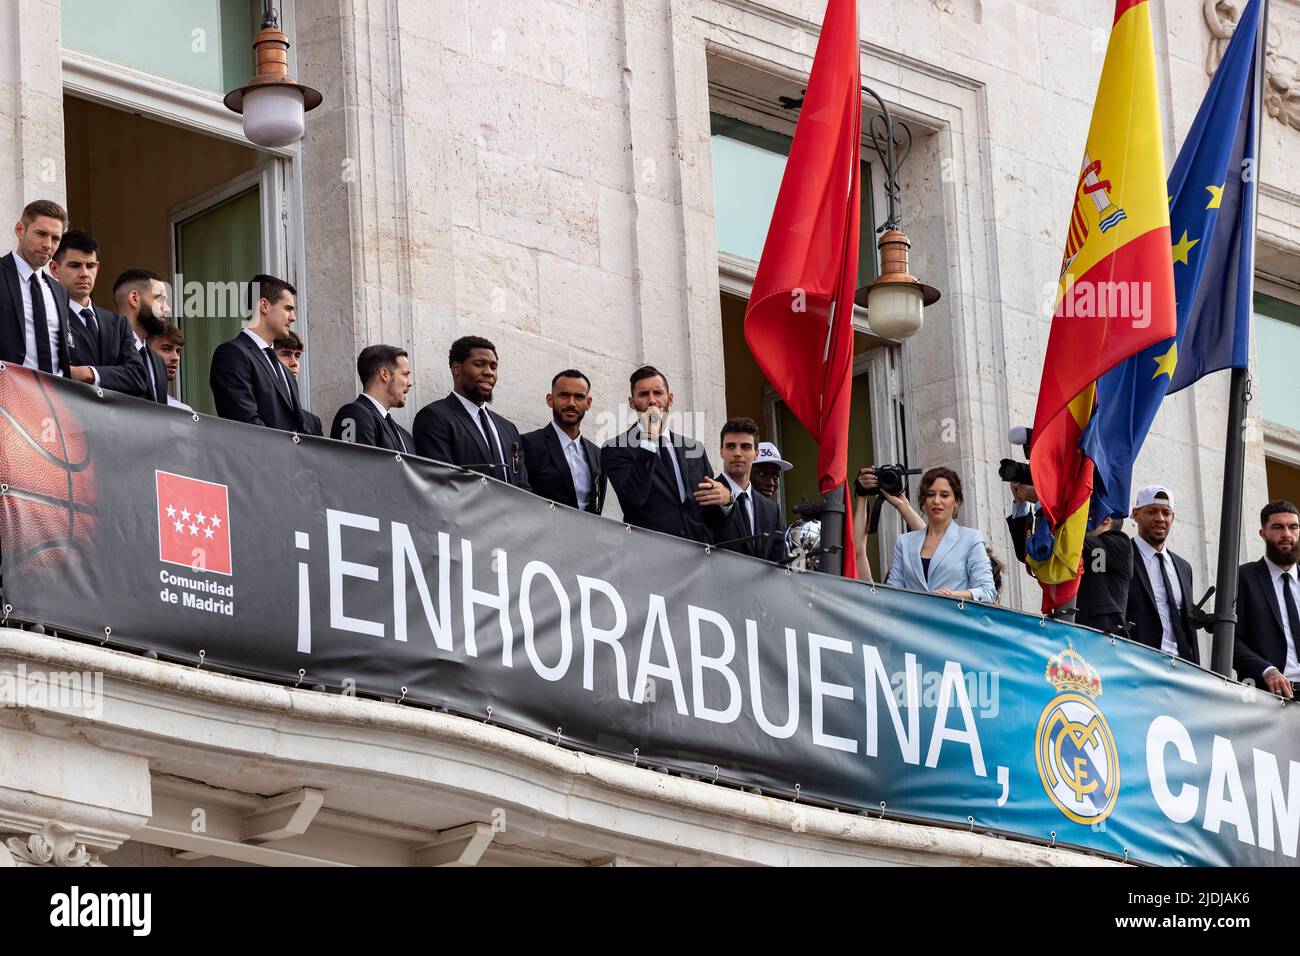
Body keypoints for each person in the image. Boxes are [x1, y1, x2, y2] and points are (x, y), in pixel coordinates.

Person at [600, 365, 732, 543]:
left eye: (658, 393)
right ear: (632, 403)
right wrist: (649, 438)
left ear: (669, 399)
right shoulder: (615, 448)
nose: (652, 400)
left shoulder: (694, 449)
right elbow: (633, 499)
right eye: (644, 394)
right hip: (651, 556)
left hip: (698, 557)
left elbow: (708, 512)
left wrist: (726, 500)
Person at [412, 335, 530, 488]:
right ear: (457, 368)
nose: (489, 372)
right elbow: (442, 482)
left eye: (493, 367)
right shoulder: (434, 417)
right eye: (479, 364)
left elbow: (522, 485)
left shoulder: (508, 428)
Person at [209, 274, 314, 432]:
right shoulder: (232, 354)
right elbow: (246, 422)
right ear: (264, 305)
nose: (293, 318)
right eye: (288, 309)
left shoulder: (285, 372)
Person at [48, 229, 146, 396]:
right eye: (75, 265)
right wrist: (114, 374)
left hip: (111, 420)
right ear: (55, 269)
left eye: (90, 265)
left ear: (97, 267)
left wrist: (88, 373)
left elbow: (138, 378)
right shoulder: (49, 316)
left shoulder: (117, 323)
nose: (84, 273)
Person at [884, 466, 997, 602]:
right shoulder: (904, 542)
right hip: (911, 621)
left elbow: (987, 591)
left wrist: (952, 595)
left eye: (944, 495)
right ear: (923, 501)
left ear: (956, 501)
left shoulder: (971, 538)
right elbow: (892, 592)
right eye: (931, 494)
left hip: (952, 619)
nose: (937, 501)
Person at [1126, 484, 1202, 663]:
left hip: (1182, 667)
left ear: (1172, 517)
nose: (1160, 518)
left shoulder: (1183, 567)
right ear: (1136, 514)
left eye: (1166, 513)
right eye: (1152, 512)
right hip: (1138, 665)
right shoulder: (1123, 555)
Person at [1234, 500, 1300, 698]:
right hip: (1265, 695)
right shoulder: (1242, 577)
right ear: (1263, 533)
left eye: (1293, 527)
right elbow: (1229, 639)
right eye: (1278, 527)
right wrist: (1267, 670)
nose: (1287, 534)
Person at [0, 199, 72, 375]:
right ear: (20, 230)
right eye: (41, 234)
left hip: (55, 394)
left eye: (55, 238)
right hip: (7, 394)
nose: (48, 245)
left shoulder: (60, 291)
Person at [520, 369, 606, 513]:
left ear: (588, 403)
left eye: (579, 397)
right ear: (550, 399)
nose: (571, 403)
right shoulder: (529, 444)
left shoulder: (597, 454)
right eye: (564, 395)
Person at [713, 417, 783, 560]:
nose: (737, 453)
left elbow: (778, 563)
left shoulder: (772, 510)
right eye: (731, 446)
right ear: (721, 451)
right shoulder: (707, 496)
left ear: (756, 454)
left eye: (745, 446)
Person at [331, 344, 414, 453]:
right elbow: (352, 466)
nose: (410, 383)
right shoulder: (354, 415)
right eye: (405, 374)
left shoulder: (405, 436)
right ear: (385, 374)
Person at [853, 466, 924, 582]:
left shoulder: (927, 589)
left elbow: (932, 545)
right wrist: (862, 495)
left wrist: (903, 506)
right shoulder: (875, 597)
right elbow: (858, 552)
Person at [112, 269, 171, 404]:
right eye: (160, 299)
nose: (167, 309)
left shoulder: (158, 362)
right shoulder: (107, 350)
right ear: (134, 299)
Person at [272, 329, 322, 435]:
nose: (294, 363)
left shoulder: (313, 422)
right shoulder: (264, 411)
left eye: (297, 356)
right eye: (286, 354)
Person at [147, 320, 193, 411]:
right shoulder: (128, 402)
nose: (176, 357)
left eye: (178, 351)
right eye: (166, 349)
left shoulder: (183, 412)